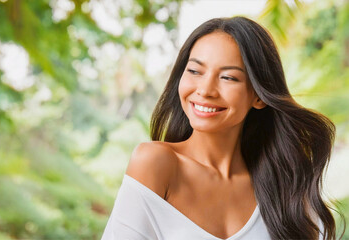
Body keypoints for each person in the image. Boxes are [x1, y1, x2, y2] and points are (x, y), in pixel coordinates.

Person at [101, 16, 344, 240]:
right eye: (195, 71)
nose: (205, 90)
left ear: (258, 96)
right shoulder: (156, 163)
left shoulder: (287, 186)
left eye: (228, 77)